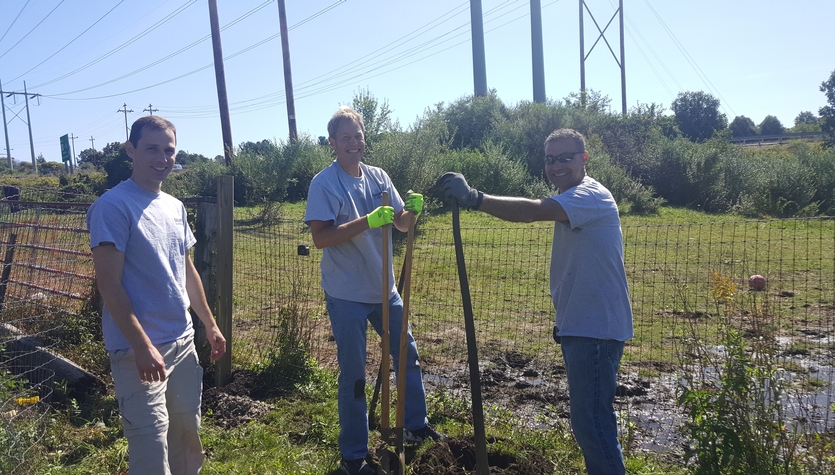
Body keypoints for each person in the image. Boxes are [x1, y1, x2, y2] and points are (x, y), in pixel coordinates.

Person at [439, 128, 633, 475]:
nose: (556, 166)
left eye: (565, 158)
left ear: (584, 158)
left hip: (596, 330)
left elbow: (531, 211)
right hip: (582, 326)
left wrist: (474, 198)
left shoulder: (590, 195)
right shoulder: (576, 195)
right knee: (590, 424)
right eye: (550, 159)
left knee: (593, 425)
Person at [305, 106, 444, 475]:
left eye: (358, 135)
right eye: (345, 137)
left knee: (406, 355)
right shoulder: (325, 183)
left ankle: (414, 425)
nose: (354, 142)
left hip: (385, 289)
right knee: (354, 373)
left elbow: (400, 224)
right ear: (333, 143)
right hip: (346, 292)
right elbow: (320, 238)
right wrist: (367, 221)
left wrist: (411, 211)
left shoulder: (379, 176)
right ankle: (354, 454)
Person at [87, 115, 227, 475]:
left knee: (186, 438)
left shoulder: (174, 207)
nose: (162, 158)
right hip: (138, 352)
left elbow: (187, 271)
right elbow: (109, 284)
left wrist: (209, 325)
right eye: (152, 149)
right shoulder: (113, 206)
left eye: (168, 150)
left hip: (181, 344)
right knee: (150, 446)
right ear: (131, 150)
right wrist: (141, 345)